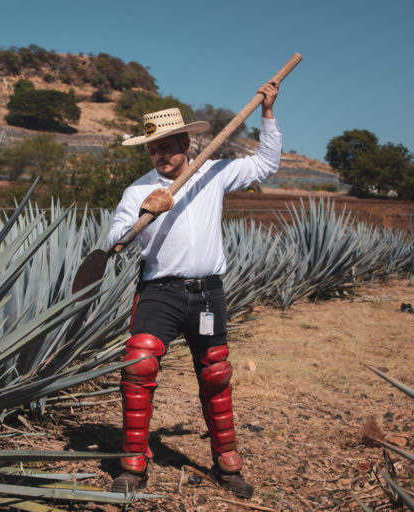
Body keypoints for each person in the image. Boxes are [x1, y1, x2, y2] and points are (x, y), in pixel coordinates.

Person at [107, 81, 281, 497]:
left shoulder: (214, 173)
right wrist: (143, 216)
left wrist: (268, 113)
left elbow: (265, 165)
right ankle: (132, 465)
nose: (159, 155)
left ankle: (227, 463)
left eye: (166, 146)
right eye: (153, 149)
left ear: (185, 142)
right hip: (160, 293)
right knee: (139, 366)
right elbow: (115, 240)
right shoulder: (138, 190)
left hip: (208, 293)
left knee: (216, 374)